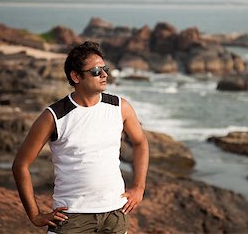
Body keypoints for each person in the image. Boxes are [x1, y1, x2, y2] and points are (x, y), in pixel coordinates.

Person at [12, 41, 149, 234]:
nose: (104, 75)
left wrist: (139, 187)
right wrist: (35, 215)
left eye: (105, 69)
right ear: (76, 76)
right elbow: (20, 165)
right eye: (95, 71)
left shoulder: (120, 107)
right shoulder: (54, 116)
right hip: (73, 216)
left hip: (115, 214)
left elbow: (140, 142)